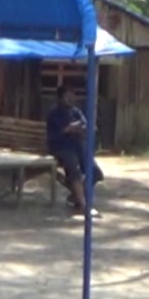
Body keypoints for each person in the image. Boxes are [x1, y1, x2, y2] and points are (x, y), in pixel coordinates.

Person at [45, 83, 95, 216]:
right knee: (74, 169)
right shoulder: (54, 113)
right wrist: (68, 129)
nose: (71, 98)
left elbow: (86, 125)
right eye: (68, 96)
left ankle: (75, 195)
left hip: (77, 146)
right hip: (60, 147)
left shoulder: (76, 111)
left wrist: (82, 128)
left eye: (73, 95)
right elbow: (54, 135)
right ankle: (84, 205)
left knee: (94, 171)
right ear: (60, 98)